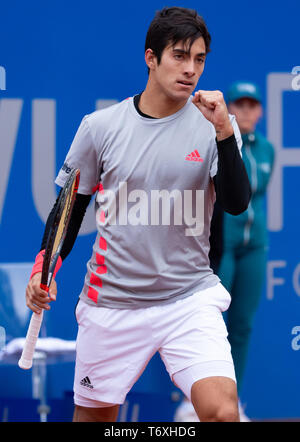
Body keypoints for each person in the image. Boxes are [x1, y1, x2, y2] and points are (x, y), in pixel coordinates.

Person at [25, 7, 251, 422]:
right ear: (151, 58)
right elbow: (68, 212)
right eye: (179, 56)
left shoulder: (216, 125)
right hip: (112, 303)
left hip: (189, 298)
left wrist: (222, 132)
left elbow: (236, 203)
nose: (191, 70)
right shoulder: (100, 127)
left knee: (222, 413)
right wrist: (46, 267)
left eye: (199, 59)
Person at [217, 81, 275, 420]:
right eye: (240, 104)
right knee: (211, 325)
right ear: (230, 110)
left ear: (261, 111)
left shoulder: (267, 149)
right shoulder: (224, 143)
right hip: (222, 243)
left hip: (255, 246)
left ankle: (231, 404)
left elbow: (258, 193)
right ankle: (193, 402)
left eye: (253, 105)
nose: (247, 111)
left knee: (242, 324)